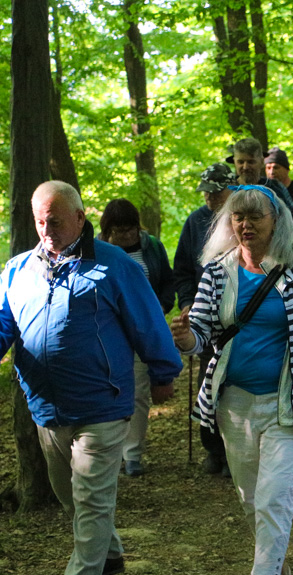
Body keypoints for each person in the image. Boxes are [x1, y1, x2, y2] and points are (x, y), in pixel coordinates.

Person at [0, 181, 182, 575]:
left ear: (80, 218)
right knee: (71, 498)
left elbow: (148, 321)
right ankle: (111, 558)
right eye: (40, 222)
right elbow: (2, 327)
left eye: (56, 221)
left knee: (92, 502)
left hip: (103, 404)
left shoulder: (114, 265)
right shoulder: (17, 271)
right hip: (46, 408)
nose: (47, 231)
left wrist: (163, 371)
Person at [170, 185, 293, 575]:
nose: (245, 224)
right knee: (253, 499)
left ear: (276, 222)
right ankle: (277, 566)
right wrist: (185, 337)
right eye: (238, 216)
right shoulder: (217, 272)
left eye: (255, 216)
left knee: (273, 499)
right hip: (234, 407)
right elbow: (200, 332)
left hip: (288, 404)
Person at [99, 198, 174, 477]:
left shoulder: (151, 247)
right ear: (108, 230)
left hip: (144, 330)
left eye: (130, 229)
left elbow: (167, 281)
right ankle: (110, 451)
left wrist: (160, 308)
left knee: (139, 393)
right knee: (108, 390)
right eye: (119, 230)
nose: (126, 236)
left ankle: (133, 454)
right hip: (108, 334)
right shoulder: (96, 251)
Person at [175, 162, 236, 477]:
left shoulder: (244, 217)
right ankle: (213, 449)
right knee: (208, 382)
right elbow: (183, 269)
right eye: (207, 193)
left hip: (241, 315)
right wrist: (187, 301)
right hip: (205, 315)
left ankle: (235, 451)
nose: (210, 198)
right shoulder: (195, 222)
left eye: (216, 192)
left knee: (237, 380)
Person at [228, 137, 293, 210]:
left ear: (262, 161)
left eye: (251, 162)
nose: (245, 167)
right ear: (234, 162)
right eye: (240, 162)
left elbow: (292, 215)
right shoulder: (226, 189)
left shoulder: (275, 187)